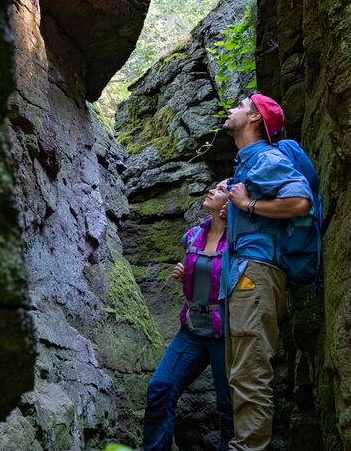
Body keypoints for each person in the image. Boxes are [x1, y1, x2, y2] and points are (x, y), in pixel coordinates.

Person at [219, 94, 313, 451]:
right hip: (246, 274)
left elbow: (299, 201)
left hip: (256, 274)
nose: (231, 111)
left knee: (250, 371)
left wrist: (248, 205)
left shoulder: (265, 157)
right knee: (242, 370)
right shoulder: (248, 164)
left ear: (256, 117)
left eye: (239, 106)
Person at [142, 181, 236, 451]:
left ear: (230, 202)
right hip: (192, 331)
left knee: (229, 407)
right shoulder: (193, 235)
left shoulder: (240, 239)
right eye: (214, 187)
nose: (211, 191)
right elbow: (193, 275)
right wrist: (183, 273)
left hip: (226, 335)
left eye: (219, 190)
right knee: (160, 388)